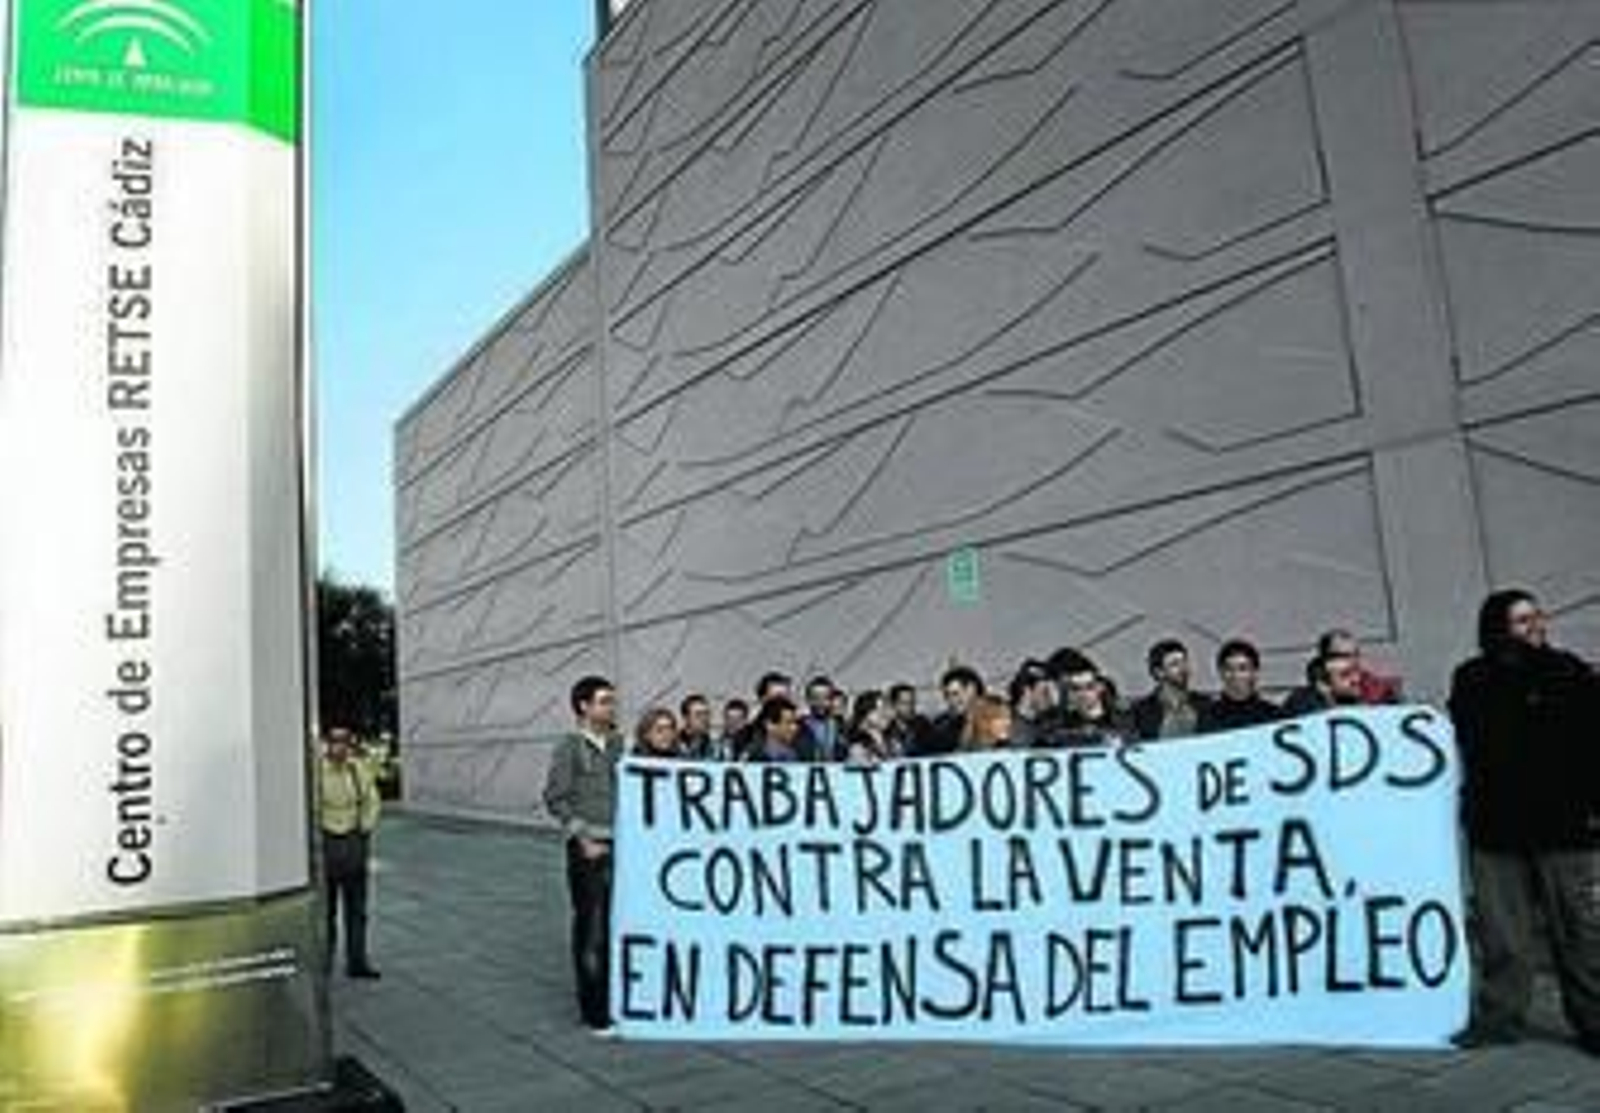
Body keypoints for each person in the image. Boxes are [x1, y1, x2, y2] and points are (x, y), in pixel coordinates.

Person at [1449, 590, 1600, 1054]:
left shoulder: (1569, 671)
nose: (1535, 625)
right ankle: (1499, 1017)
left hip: (1562, 823)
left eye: (1537, 616)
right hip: (1498, 826)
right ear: (1499, 627)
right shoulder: (1474, 678)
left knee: (1579, 928)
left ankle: (1593, 1021)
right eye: (1521, 620)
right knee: (1503, 933)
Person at [542, 676, 625, 1034]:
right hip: (589, 849)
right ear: (584, 706)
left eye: (612, 701)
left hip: (624, 845)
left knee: (616, 925)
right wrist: (583, 837)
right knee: (591, 927)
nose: (611, 707)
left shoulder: (620, 744)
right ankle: (594, 1011)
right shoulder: (569, 747)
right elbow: (554, 798)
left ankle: (616, 998)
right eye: (604, 701)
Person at [319, 727, 383, 979]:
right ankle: (324, 963)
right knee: (326, 913)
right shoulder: (316, 771)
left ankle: (357, 963)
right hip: (327, 844)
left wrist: (365, 827)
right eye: (334, 741)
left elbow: (372, 801)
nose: (339, 747)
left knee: (357, 909)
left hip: (354, 844)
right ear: (327, 744)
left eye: (344, 742)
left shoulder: (358, 769)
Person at [1130, 639, 1210, 741]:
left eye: (1184, 662)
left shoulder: (1204, 704)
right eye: (1175, 664)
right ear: (1159, 672)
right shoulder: (1142, 711)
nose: (1183, 668)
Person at [1198, 639, 1282, 733]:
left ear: (1255, 673)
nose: (1235, 675)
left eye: (1242, 669)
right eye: (1229, 669)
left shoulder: (1273, 716)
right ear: (1221, 673)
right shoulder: (1208, 717)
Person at [1051, 662, 1130, 747]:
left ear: (1100, 688)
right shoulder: (1061, 725)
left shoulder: (1122, 720)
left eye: (1089, 687)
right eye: (1075, 689)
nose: (1082, 694)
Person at [1318, 627, 1403, 705]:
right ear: (1326, 662)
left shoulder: (1376, 689)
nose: (1353, 660)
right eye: (1344, 655)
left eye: (1356, 654)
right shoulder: (1311, 698)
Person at [915, 665, 983, 757]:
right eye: (947, 696)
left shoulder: (996, 716)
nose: (952, 701)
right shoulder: (946, 724)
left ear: (971, 689)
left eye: (956, 694)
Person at [1282, 651, 1363, 717]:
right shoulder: (1303, 706)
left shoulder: (1357, 701)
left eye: (1356, 672)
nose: (1356, 679)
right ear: (1323, 685)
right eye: (1345, 675)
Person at [1007, 659, 1058, 749]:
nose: (1052, 699)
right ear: (1027, 691)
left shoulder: (1049, 722)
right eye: (1045, 692)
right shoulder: (1007, 726)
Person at [845, 690, 896, 765]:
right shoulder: (858, 747)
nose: (885, 714)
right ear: (865, 714)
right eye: (878, 710)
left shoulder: (893, 742)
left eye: (886, 709)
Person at [747, 696, 804, 763]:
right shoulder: (753, 758)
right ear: (770, 725)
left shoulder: (800, 755)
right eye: (788, 723)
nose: (794, 728)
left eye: (796, 723)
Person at [800, 674, 842, 762]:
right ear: (808, 700)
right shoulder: (799, 726)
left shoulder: (841, 726)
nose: (820, 703)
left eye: (825, 698)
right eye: (816, 698)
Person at [886, 683, 928, 755]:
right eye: (904, 703)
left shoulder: (923, 724)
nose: (910, 707)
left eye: (912, 702)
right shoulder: (888, 729)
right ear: (894, 705)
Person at [679, 693, 713, 758]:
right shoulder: (674, 747)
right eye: (698, 714)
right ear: (686, 718)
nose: (704, 719)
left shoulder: (716, 748)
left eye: (706, 714)